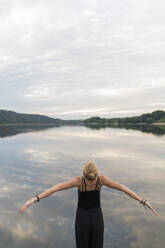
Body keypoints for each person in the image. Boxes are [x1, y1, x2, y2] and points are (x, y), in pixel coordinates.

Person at [20, 160, 158, 248]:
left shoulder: (79, 181)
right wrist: (143, 201)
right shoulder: (101, 180)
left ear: (84, 174)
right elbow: (123, 188)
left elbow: (56, 188)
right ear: (96, 174)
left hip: (82, 219)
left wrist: (35, 198)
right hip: (97, 218)